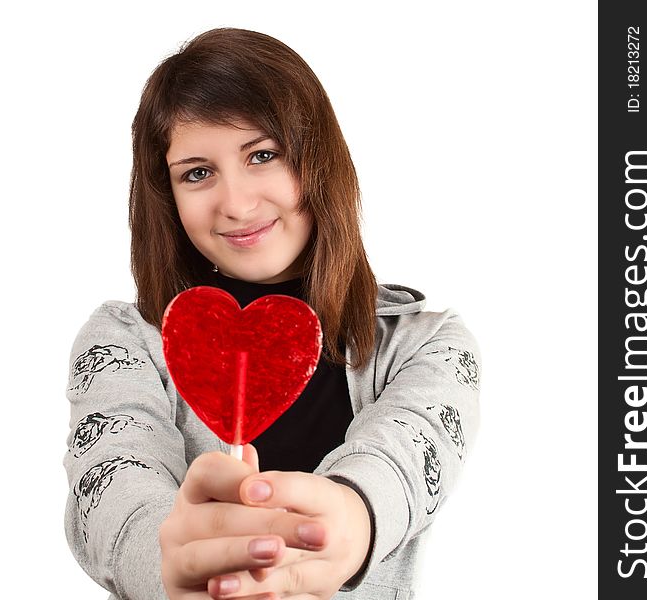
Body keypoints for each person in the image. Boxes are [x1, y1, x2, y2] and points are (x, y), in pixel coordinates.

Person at [63, 27, 481, 600]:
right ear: (168, 194)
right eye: (197, 172)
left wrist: (344, 522)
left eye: (262, 155)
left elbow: (402, 463)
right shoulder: (125, 340)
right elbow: (111, 482)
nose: (235, 203)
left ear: (319, 158)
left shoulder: (426, 345)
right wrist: (173, 558)